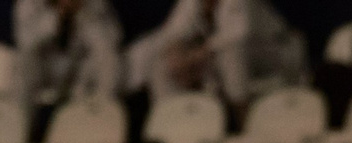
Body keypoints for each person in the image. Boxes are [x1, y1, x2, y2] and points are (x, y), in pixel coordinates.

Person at [125, 0, 310, 106]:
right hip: (235, 59)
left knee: (229, 54)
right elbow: (173, 33)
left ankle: (241, 123)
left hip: (276, 54)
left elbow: (237, 34)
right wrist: (176, 54)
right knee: (163, 63)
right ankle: (172, 122)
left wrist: (193, 57)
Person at [18, 0, 126, 109]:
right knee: (22, 63)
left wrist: (83, 15)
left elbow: (113, 39)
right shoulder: (29, 3)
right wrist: (57, 16)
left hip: (80, 79)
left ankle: (102, 111)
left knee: (107, 56)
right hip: (44, 72)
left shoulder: (96, 3)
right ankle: (21, 118)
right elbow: (25, 41)